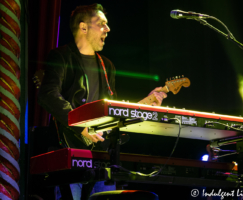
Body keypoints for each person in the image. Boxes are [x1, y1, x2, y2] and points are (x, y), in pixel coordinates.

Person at [37, 3, 167, 199]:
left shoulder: (107, 66)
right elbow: (48, 94)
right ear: (83, 27)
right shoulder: (61, 56)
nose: (108, 29)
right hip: (70, 148)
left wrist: (145, 103)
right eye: (102, 24)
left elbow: (112, 111)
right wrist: (82, 127)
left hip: (102, 155)